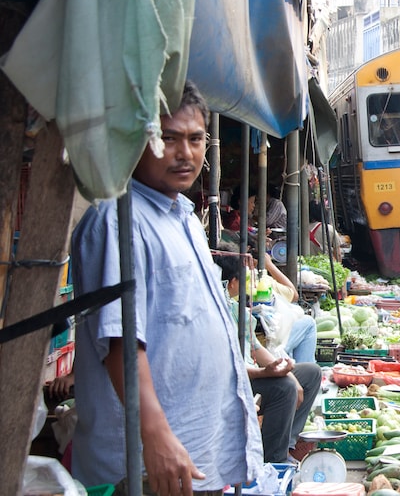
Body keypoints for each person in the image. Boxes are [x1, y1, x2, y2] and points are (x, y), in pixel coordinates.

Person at [70, 81, 263, 493]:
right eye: (167, 138)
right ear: (135, 139)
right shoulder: (118, 221)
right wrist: (155, 437)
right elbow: (121, 343)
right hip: (147, 465)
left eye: (195, 139)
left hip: (193, 453)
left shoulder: (182, 216)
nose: (185, 153)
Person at [214, 253, 322, 464]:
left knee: (310, 374)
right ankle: (274, 458)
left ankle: (287, 443)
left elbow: (254, 347)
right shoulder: (214, 314)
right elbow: (226, 366)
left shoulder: (237, 310)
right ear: (234, 282)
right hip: (232, 382)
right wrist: (266, 373)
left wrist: (283, 368)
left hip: (252, 374)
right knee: (284, 388)